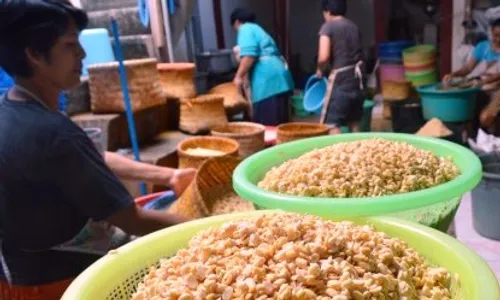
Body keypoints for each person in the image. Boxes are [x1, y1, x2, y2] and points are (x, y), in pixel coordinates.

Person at [0, 1, 194, 298]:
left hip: (16, 273)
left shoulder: (15, 107)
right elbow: (133, 220)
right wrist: (208, 228)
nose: (82, 54)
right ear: (34, 54)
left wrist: (169, 175)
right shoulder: (55, 135)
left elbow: (93, 157)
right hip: (56, 283)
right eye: (70, 45)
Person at [231, 8, 294, 126]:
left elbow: (249, 55)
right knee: (281, 126)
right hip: (279, 78)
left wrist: (238, 76)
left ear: (237, 22)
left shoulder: (245, 28)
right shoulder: (257, 29)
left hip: (268, 81)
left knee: (268, 126)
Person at [316, 0, 365, 134]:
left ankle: (339, 153)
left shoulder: (328, 27)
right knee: (354, 121)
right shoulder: (353, 26)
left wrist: (320, 70)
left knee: (331, 124)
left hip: (341, 81)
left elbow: (323, 56)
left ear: (327, 11)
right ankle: (359, 152)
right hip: (357, 81)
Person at [443, 18, 500, 134]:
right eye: (496, 36)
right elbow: (468, 68)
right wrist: (453, 74)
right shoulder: (483, 47)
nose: (498, 39)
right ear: (491, 33)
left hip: (497, 88)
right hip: (483, 87)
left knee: (486, 119)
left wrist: (484, 82)